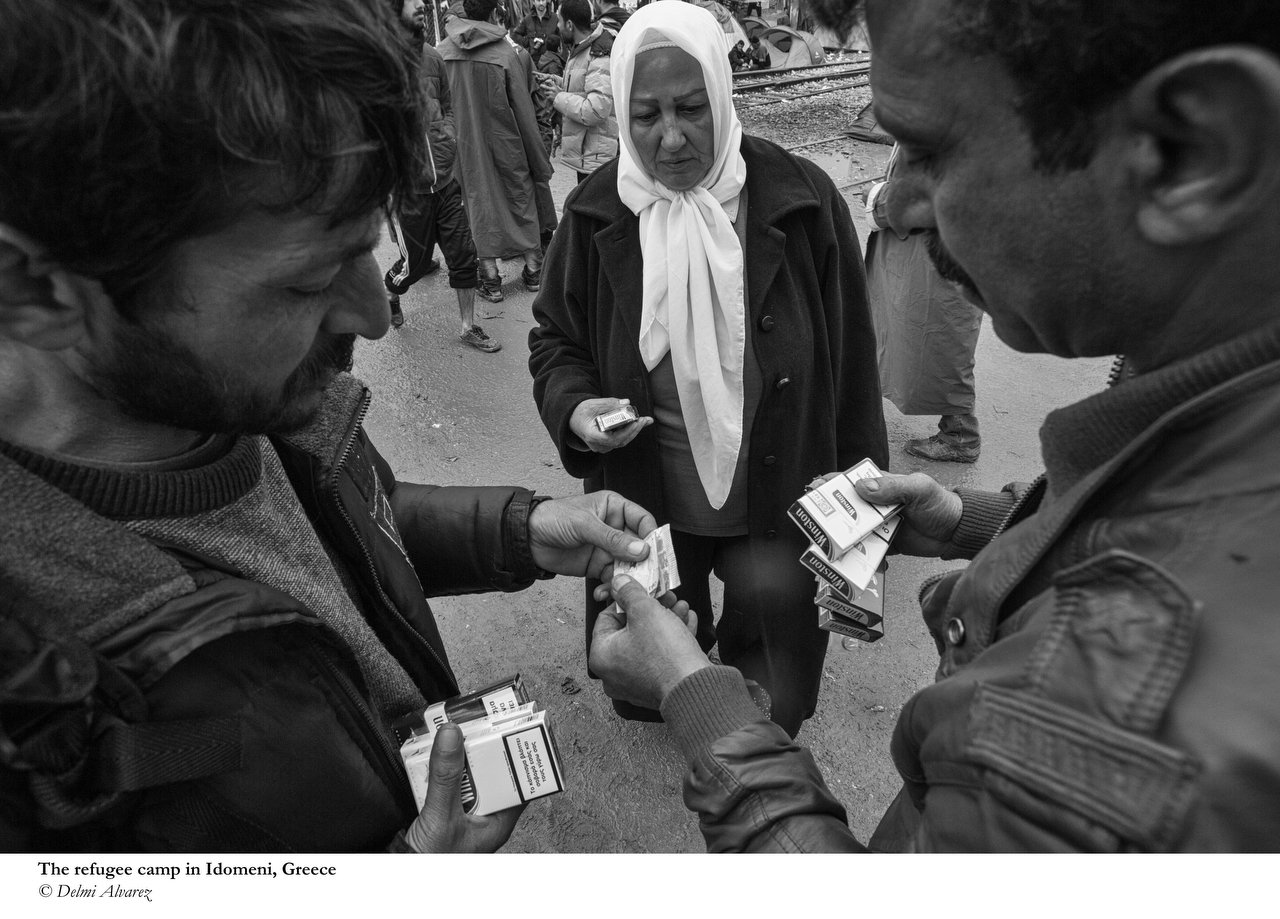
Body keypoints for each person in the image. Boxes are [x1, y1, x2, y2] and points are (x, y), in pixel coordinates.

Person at [588, 0, 1280, 852]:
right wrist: (987, 524)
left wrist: (699, 700)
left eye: (928, 146)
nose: (900, 201)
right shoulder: (1209, 424)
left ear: (1191, 151)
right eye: (645, 114)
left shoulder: (1118, 716)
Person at [0, 0, 663, 853]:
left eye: (370, 241)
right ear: (39, 292)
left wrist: (520, 530)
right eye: (306, 281)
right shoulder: (32, 695)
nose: (373, 316)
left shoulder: (237, 394)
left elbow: (337, 527)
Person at [528, 2, 888, 738]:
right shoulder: (598, 214)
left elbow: (851, 368)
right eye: (646, 114)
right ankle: (684, 694)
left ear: (723, 95)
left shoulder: (806, 203)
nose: (670, 136)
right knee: (663, 649)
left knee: (770, 671)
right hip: (650, 505)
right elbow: (554, 340)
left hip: (781, 494)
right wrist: (573, 407)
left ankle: (751, 740)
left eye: (691, 108)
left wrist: (864, 515)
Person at [384, 0, 499, 352]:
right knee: (414, 266)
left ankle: (468, 326)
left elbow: (447, 105)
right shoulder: (379, 63)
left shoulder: (433, 56)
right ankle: (390, 292)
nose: (421, 4)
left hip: (446, 181)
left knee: (463, 254)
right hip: (409, 191)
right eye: (412, 0)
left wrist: (448, 138)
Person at [864, 145, 984, 461]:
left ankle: (961, 435)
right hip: (935, 249)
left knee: (944, 344)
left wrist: (877, 200)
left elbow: (923, 193)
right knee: (916, 333)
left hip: (936, 256)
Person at [438, 0, 552, 303]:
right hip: (507, 140)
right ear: (494, 12)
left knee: (477, 203)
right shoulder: (506, 53)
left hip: (461, 144)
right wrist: (539, 158)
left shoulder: (442, 52)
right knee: (520, 197)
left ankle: (490, 279)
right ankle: (533, 270)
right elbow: (525, 112)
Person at [554, 0, 618, 184]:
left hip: (596, 159)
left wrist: (558, 97)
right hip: (588, 154)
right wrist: (558, 84)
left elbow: (596, 110)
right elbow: (585, 88)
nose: (557, 26)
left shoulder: (598, 53)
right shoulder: (584, 48)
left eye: (559, 21)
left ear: (569, 24)